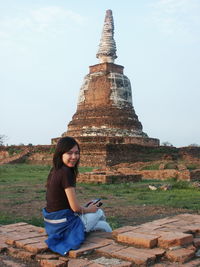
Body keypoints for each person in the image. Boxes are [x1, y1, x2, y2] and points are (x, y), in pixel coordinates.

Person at [42, 136, 112, 256]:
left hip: (52, 223)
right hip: (64, 225)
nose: (74, 157)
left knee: (105, 226)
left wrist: (87, 207)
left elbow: (66, 204)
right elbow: (75, 208)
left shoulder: (55, 170)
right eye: (70, 153)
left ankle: (107, 241)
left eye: (77, 153)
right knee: (99, 212)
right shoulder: (66, 173)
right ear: (60, 154)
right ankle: (109, 248)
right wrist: (90, 209)